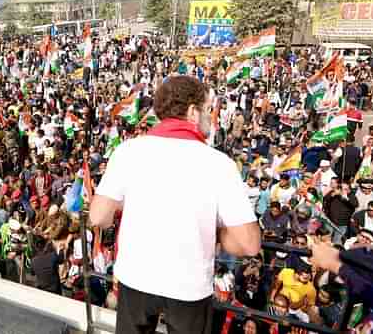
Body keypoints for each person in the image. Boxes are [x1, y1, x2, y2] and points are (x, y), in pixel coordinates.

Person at [90, 76, 260, 334]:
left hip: (135, 278)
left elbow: (98, 217)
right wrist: (217, 232)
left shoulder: (128, 151)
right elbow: (249, 244)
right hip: (189, 288)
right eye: (206, 109)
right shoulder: (219, 164)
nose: (209, 117)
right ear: (192, 111)